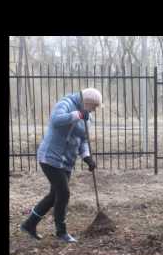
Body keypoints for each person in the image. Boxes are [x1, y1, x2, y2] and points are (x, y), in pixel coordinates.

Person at [20, 88, 102, 243]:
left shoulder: (88, 117)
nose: (95, 110)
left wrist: (87, 158)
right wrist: (77, 114)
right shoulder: (66, 103)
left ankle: (29, 224)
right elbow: (56, 120)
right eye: (94, 106)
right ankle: (61, 232)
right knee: (63, 193)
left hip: (66, 161)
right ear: (87, 102)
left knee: (54, 196)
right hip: (50, 157)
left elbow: (83, 140)